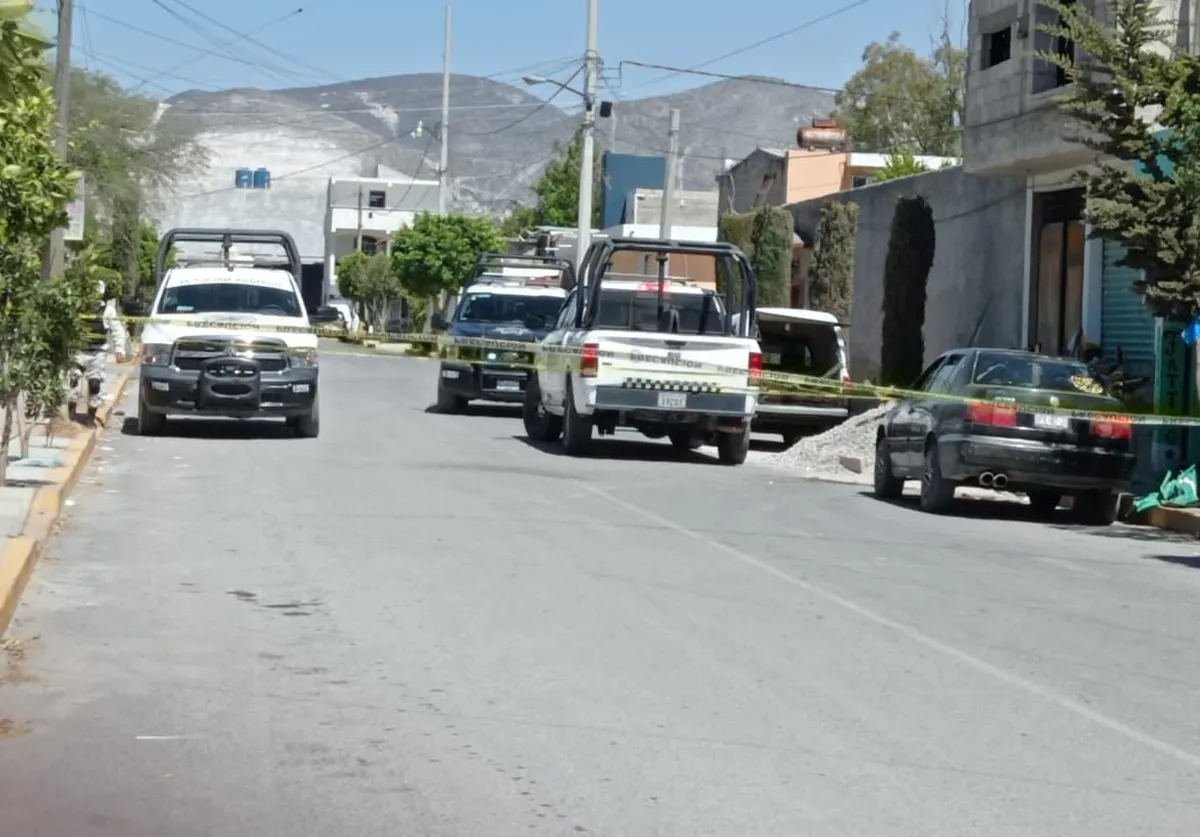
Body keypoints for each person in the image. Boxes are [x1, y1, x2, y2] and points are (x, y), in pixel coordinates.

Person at [70, 278, 131, 422]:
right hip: (78, 351)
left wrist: (119, 350)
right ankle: (71, 415)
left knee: (95, 385)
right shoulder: (78, 307)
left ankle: (90, 417)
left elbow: (118, 331)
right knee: (73, 379)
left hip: (98, 353)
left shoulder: (108, 311)